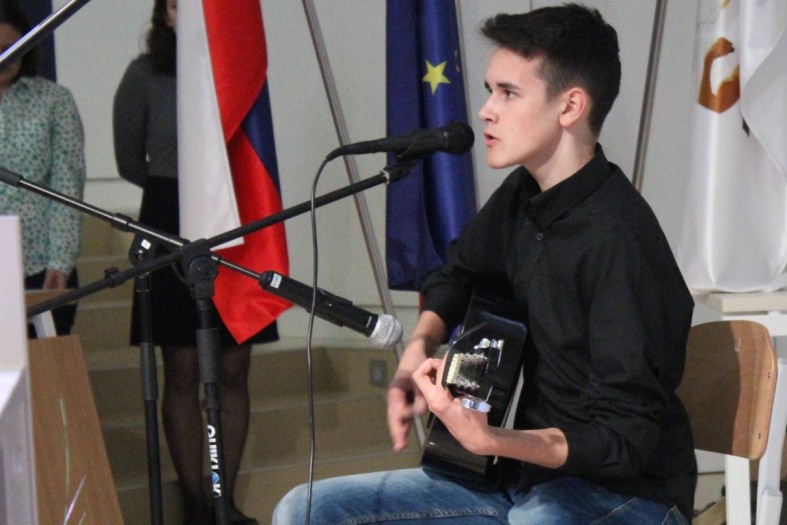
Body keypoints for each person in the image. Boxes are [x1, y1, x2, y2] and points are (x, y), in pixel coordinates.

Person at [273, 4, 697, 524]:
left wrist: (493, 439)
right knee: (308, 510)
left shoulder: (620, 240)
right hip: (524, 479)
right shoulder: (523, 194)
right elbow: (459, 273)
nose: (485, 111)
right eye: (489, 91)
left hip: (629, 496)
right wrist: (419, 346)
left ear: (570, 106)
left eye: (508, 93)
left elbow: (621, 442)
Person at [112, 1, 275, 523]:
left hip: (233, 214)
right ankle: (195, 500)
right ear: (165, 15)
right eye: (179, 4)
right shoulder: (145, 73)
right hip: (168, 214)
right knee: (182, 365)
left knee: (233, 364)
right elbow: (128, 159)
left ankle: (223, 498)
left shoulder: (237, 65)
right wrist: (180, 191)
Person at [0, 0, 84, 336]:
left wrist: (60, 261)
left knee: (46, 365)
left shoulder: (54, 100)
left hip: (39, 263)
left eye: (11, 48)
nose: (5, 58)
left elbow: (67, 185)